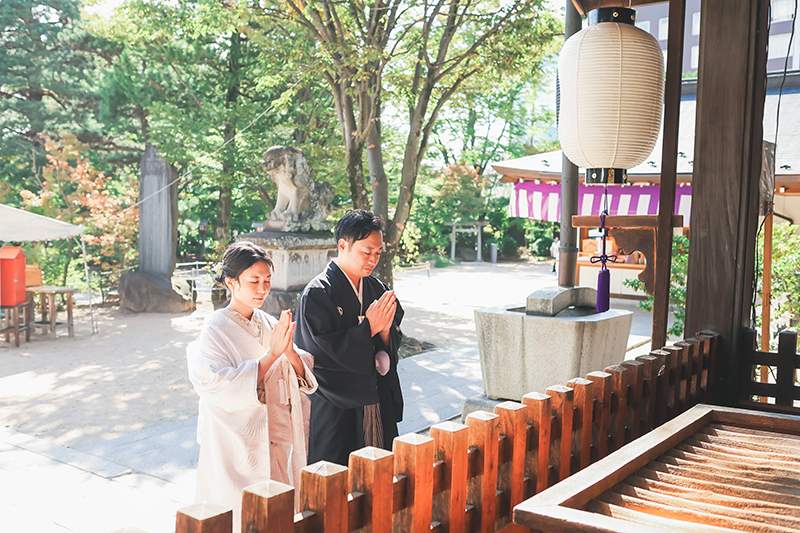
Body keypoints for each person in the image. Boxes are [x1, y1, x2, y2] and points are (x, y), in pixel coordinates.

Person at [186, 241, 317, 528]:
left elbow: (300, 376)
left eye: (267, 281)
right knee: (239, 513)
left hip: (276, 437)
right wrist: (272, 355)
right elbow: (218, 385)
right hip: (237, 443)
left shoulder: (268, 322)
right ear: (231, 282)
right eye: (254, 281)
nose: (262, 289)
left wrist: (289, 352)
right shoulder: (215, 329)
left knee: (279, 510)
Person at [294, 209, 404, 466]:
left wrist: (385, 331)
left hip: (375, 398)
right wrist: (368, 329)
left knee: (382, 472)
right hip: (336, 405)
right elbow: (320, 354)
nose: (373, 259)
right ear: (343, 245)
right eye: (367, 252)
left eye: (378, 253)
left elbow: (391, 337)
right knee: (334, 477)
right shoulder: (319, 294)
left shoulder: (376, 289)